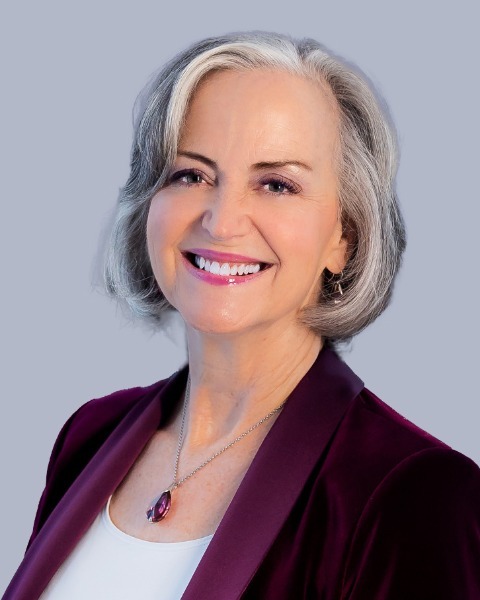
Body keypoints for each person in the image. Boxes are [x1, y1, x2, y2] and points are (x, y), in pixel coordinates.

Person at [4, 31, 480, 600]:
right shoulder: (90, 435)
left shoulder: (416, 492)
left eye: (276, 184)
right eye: (191, 175)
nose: (222, 221)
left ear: (344, 238)